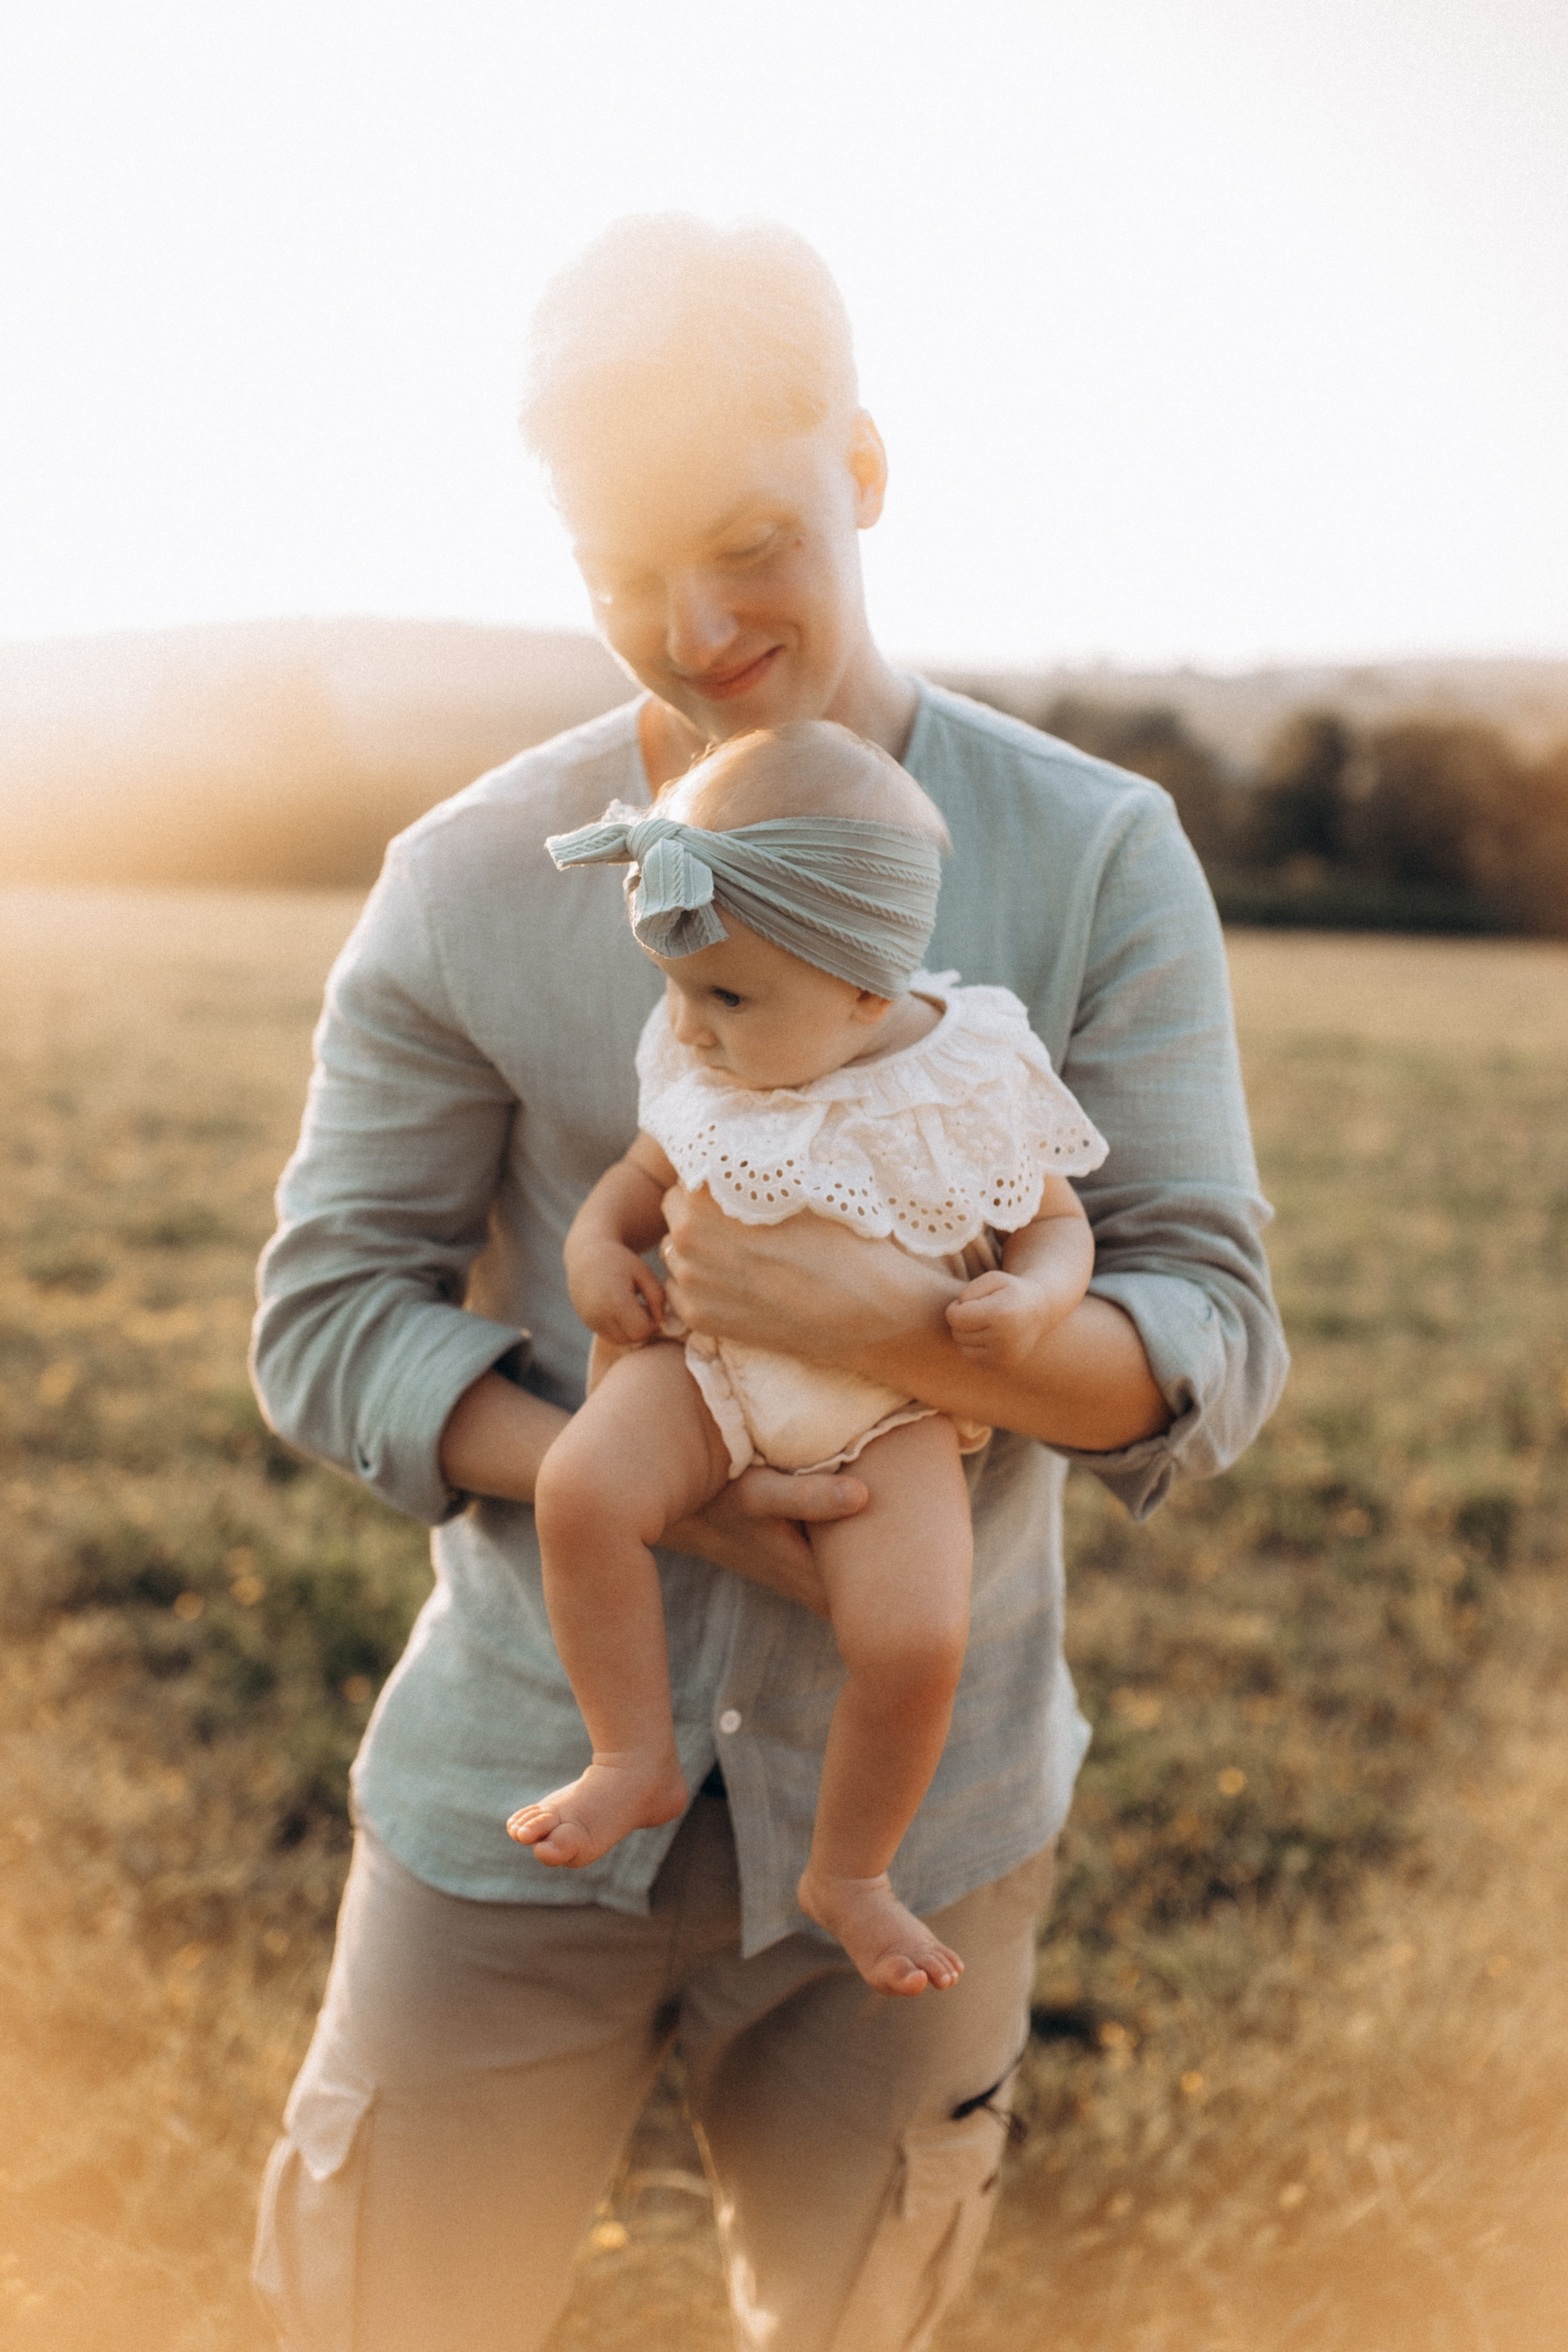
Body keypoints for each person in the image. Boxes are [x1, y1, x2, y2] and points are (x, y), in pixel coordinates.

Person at [249, 213, 1287, 2352]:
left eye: (755, 541)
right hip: (512, 1799)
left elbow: (1212, 1326)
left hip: (932, 1809)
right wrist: (658, 1483)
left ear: (869, 469)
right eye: (626, 576)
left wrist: (897, 1338)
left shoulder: (1096, 854)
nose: (701, 628)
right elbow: (327, 1316)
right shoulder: (471, 880)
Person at [510, 722, 1109, 1999]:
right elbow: (642, 1170)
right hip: (704, 1366)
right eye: (678, 989)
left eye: (727, 997)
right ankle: (630, 1756)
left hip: (890, 1412)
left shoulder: (966, 1072)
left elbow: (1055, 1223)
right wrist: (593, 1241)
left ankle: (850, 1872)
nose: (693, 1028)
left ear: (862, 988)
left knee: (913, 1638)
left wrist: (1033, 1301)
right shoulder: (705, 1048)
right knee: (580, 1488)